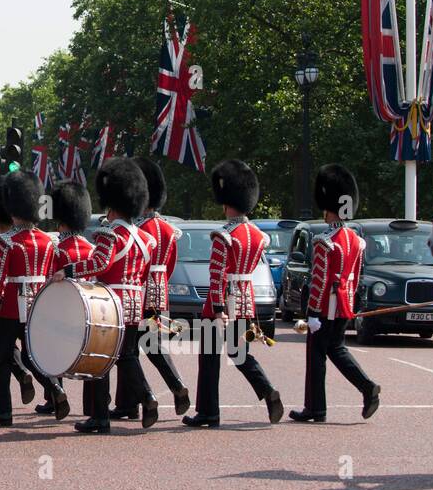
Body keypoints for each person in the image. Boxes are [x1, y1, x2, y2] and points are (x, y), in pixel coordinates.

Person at [57, 158, 159, 433]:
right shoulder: (145, 238)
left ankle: (101, 416)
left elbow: (100, 263)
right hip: (135, 302)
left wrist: (69, 271)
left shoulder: (110, 234)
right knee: (127, 356)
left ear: (112, 204)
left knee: (99, 359)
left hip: (110, 304)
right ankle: (147, 397)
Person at [183, 159, 284, 429]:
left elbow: (216, 276)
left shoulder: (224, 235)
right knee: (240, 353)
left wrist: (217, 309)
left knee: (208, 359)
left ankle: (208, 412)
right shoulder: (258, 235)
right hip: (245, 301)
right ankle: (266, 389)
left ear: (227, 202)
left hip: (222, 303)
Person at [289, 164, 381, 423]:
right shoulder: (356, 240)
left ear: (329, 208)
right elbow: (356, 275)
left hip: (326, 307)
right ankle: (366, 387)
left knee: (316, 356)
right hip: (344, 305)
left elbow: (319, 281)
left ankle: (315, 408)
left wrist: (313, 313)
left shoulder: (324, 241)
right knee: (336, 349)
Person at [0, 171, 67, 426]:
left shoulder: (6, 242)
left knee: (2, 360)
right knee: (34, 355)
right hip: (38, 306)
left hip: (10, 308)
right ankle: (56, 389)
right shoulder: (48, 242)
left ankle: (3, 411)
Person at [123, 156, 191, 418]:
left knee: (128, 349)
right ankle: (175, 385)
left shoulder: (140, 229)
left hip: (138, 292)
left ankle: (145, 398)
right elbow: (170, 265)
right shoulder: (168, 229)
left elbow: (135, 264)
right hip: (160, 292)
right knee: (151, 344)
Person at [0, 184, 37, 409]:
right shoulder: (37, 241)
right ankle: (41, 383)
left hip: (2, 306)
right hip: (28, 305)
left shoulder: (2, 244)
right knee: (16, 349)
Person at [45, 180, 94, 417]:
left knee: (52, 352)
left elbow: (49, 280)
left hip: (61, 307)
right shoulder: (90, 247)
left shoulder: (58, 248)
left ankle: (55, 395)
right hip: (85, 308)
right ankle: (96, 401)